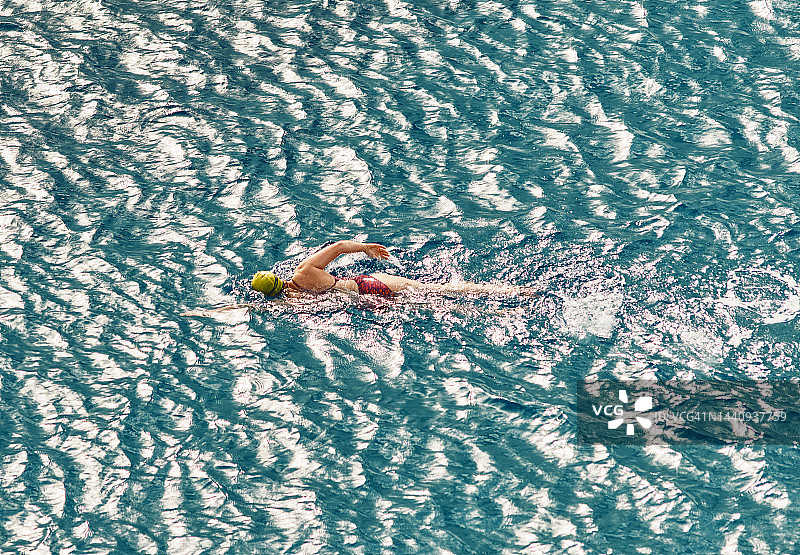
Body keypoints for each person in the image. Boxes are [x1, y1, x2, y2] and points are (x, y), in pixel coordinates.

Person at [251, 240, 540, 298]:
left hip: (367, 298)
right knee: (441, 290)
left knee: (438, 304)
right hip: (367, 282)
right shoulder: (302, 272)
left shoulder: (291, 303)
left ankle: (503, 310)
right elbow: (338, 247)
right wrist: (365, 247)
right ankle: (513, 291)